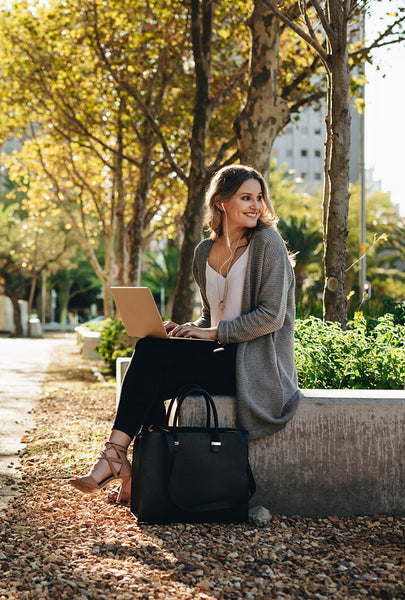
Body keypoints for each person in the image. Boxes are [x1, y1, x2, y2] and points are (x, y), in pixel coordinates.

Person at [69, 164, 301, 503]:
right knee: (151, 349)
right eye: (246, 197)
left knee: (150, 365)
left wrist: (210, 334)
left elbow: (270, 317)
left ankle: (120, 462)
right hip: (219, 353)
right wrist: (189, 329)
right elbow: (213, 312)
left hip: (253, 364)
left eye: (259, 198)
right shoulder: (204, 252)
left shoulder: (268, 244)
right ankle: (127, 464)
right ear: (221, 202)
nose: (256, 206)